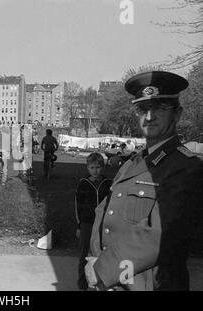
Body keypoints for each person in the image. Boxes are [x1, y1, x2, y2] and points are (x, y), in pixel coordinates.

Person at [85, 71, 203, 291]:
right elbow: (103, 213)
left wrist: (103, 268)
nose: (149, 117)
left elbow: (160, 232)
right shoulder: (132, 163)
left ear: (177, 114)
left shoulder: (186, 168)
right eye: (142, 109)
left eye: (160, 108)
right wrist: (94, 259)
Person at [75, 152, 112, 290]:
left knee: (102, 252)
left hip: (103, 223)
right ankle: (82, 284)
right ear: (87, 168)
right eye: (92, 167)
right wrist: (79, 226)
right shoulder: (83, 183)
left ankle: (103, 283)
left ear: (102, 167)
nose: (95, 170)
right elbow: (77, 205)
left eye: (97, 167)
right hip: (87, 223)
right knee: (84, 253)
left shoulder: (108, 183)